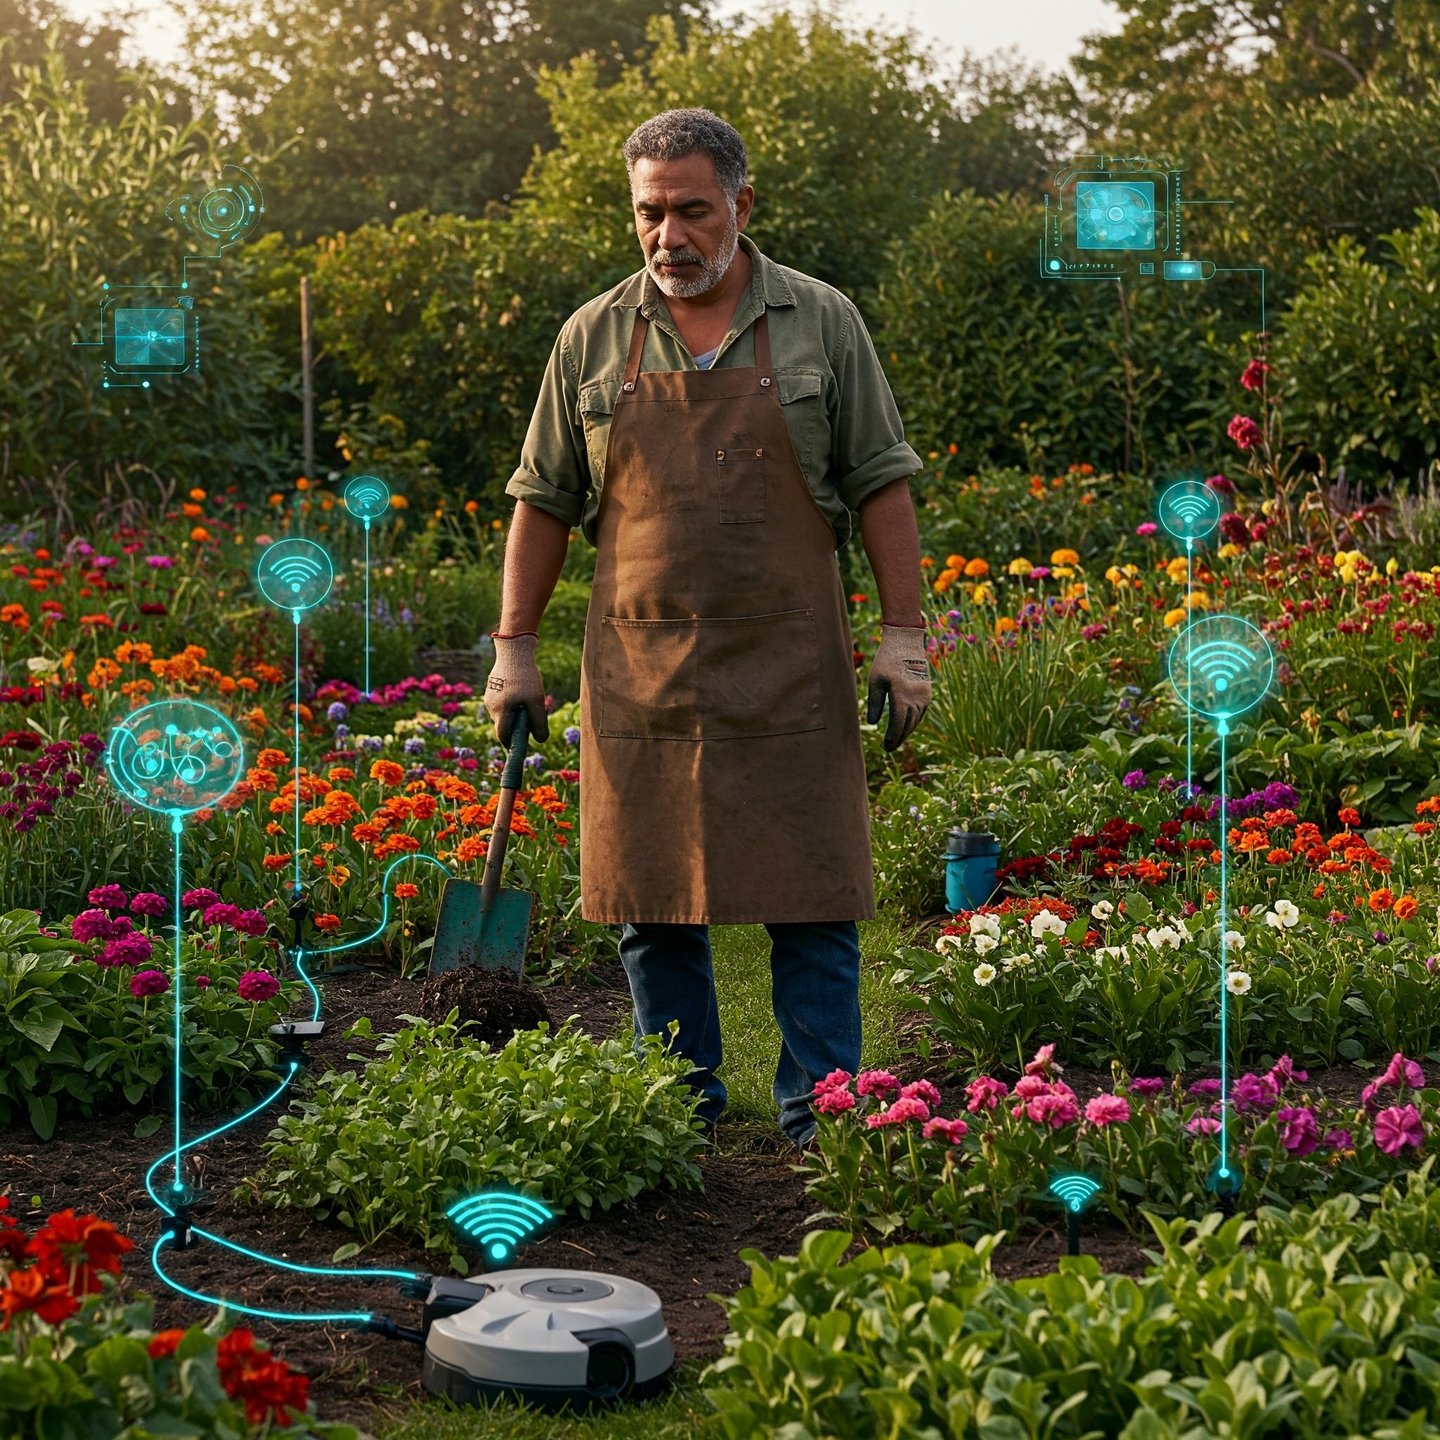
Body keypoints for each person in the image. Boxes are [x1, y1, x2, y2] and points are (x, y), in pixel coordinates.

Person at [485, 107, 930, 1150]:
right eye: (650, 212)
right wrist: (515, 651)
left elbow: (881, 486)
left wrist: (903, 637)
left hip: (789, 658)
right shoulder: (593, 337)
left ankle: (824, 1116)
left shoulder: (823, 323)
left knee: (813, 899)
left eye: (691, 209)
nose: (669, 235)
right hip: (642, 662)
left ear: (742, 203)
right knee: (653, 907)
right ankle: (674, 1110)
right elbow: (542, 501)